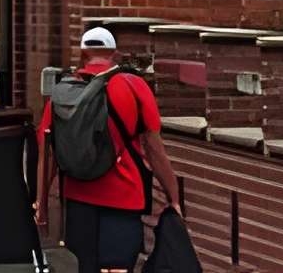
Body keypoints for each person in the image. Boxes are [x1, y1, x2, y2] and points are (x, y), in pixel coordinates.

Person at [35, 26, 183, 273]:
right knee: (117, 268)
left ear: (83, 53)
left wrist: (41, 205)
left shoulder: (64, 94)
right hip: (125, 197)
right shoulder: (133, 86)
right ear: (114, 53)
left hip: (78, 198)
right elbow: (154, 149)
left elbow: (47, 154)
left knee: (84, 266)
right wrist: (173, 196)